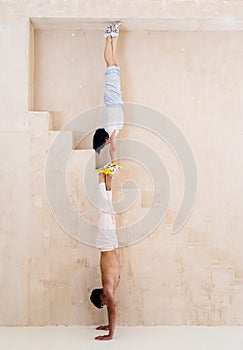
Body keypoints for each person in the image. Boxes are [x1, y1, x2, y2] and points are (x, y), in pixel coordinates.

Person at [90, 172, 120, 341]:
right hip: (111, 242)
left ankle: (101, 174)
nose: (107, 303)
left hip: (106, 242)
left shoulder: (108, 289)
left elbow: (113, 310)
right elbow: (112, 310)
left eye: (103, 303)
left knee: (103, 209)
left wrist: (110, 334)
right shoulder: (110, 288)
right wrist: (109, 325)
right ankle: (108, 177)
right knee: (109, 208)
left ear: (102, 296)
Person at [93, 22, 124, 172]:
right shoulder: (112, 129)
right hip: (115, 97)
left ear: (105, 139)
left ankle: (107, 37)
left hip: (113, 98)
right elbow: (111, 147)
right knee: (114, 64)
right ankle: (113, 34)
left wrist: (114, 164)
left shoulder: (111, 130)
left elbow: (113, 149)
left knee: (110, 65)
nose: (107, 144)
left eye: (104, 144)